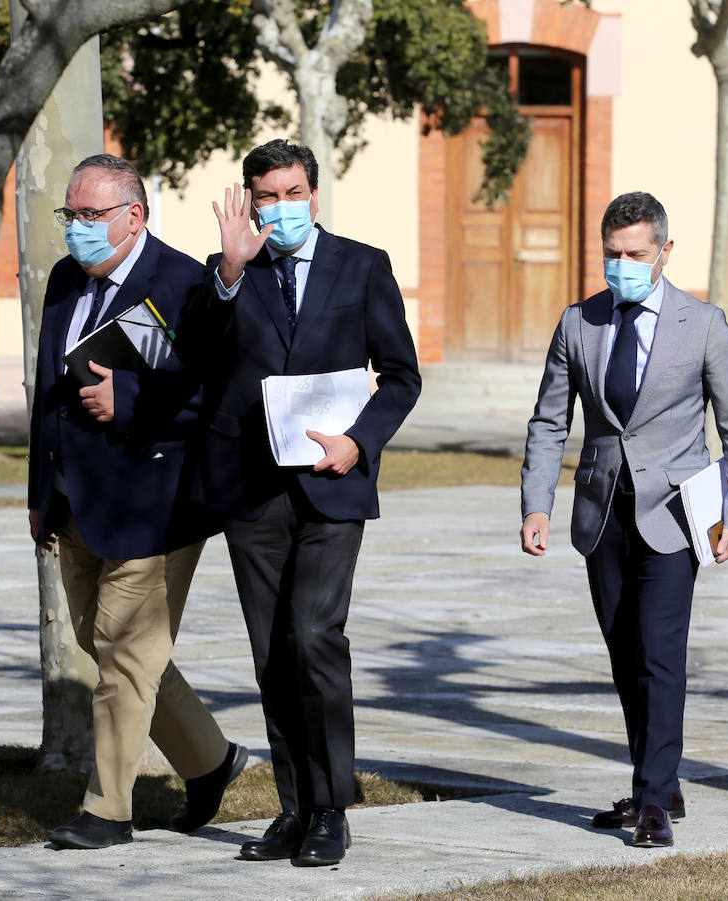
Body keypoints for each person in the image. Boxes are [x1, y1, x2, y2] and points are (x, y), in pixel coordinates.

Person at [181, 139, 421, 866]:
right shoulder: (229, 272)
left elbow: (403, 375)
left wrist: (360, 441)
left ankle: (332, 807)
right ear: (250, 200)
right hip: (251, 489)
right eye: (266, 196)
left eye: (292, 194)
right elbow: (196, 353)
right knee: (271, 652)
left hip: (332, 481)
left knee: (315, 636)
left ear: (313, 195)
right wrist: (228, 269)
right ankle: (294, 807)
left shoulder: (363, 265)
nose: (279, 208)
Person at [519, 191, 728, 848]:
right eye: (612, 254)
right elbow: (548, 422)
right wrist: (536, 502)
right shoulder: (579, 322)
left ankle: (652, 799)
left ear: (665, 252)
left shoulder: (704, 325)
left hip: (676, 518)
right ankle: (662, 775)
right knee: (625, 654)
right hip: (602, 515)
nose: (622, 264)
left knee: (659, 654)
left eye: (635, 253)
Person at [28, 154, 247, 851]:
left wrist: (129, 400)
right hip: (73, 502)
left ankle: (107, 808)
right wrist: (38, 492)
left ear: (135, 216)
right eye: (71, 215)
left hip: (156, 504)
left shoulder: (180, 284)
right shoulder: (65, 280)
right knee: (118, 649)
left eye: (92, 216)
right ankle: (212, 761)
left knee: (125, 655)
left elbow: (210, 396)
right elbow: (46, 395)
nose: (77, 230)